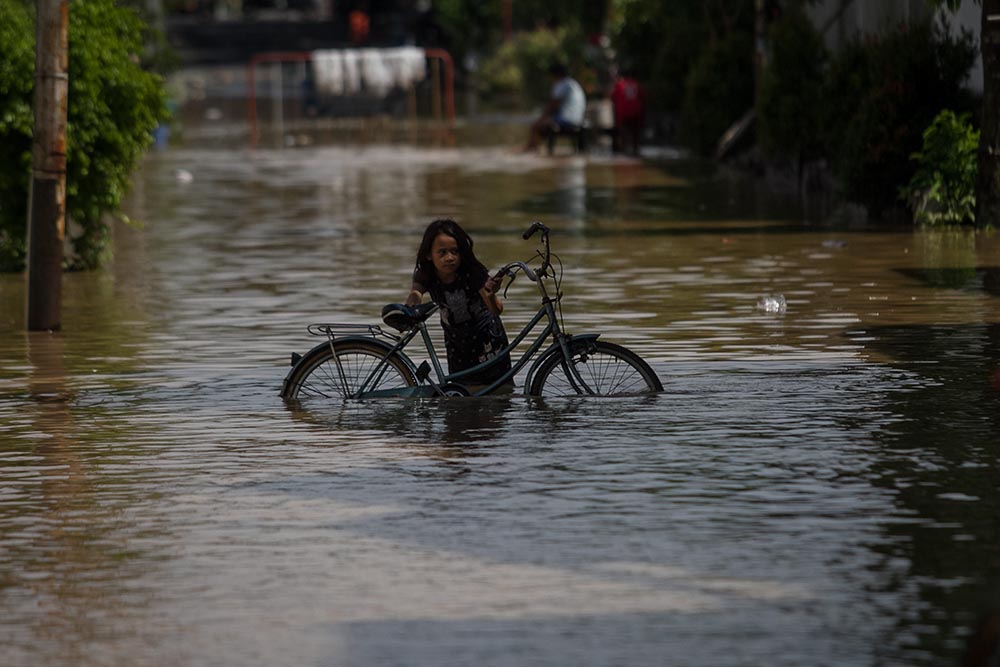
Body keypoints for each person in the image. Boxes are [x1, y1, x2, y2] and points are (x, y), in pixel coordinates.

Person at [405, 219, 514, 392]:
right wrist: (411, 305)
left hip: (489, 344)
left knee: (501, 394)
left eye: (454, 251)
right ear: (429, 255)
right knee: (461, 398)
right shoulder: (426, 274)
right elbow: (416, 293)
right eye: (442, 252)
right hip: (458, 348)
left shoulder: (473, 272)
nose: (449, 258)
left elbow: (496, 309)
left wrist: (491, 294)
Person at [521, 62, 586, 153]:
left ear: (556, 74)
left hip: (566, 119)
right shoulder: (573, 84)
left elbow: (553, 106)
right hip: (578, 119)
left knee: (536, 126)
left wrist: (540, 119)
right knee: (543, 125)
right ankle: (533, 147)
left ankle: (531, 148)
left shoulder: (561, 84)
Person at [610, 68, 645, 156]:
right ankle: (635, 149)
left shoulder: (620, 85)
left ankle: (625, 149)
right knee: (635, 132)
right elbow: (642, 97)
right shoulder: (637, 84)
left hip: (623, 112)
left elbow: (613, 98)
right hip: (636, 112)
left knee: (624, 131)